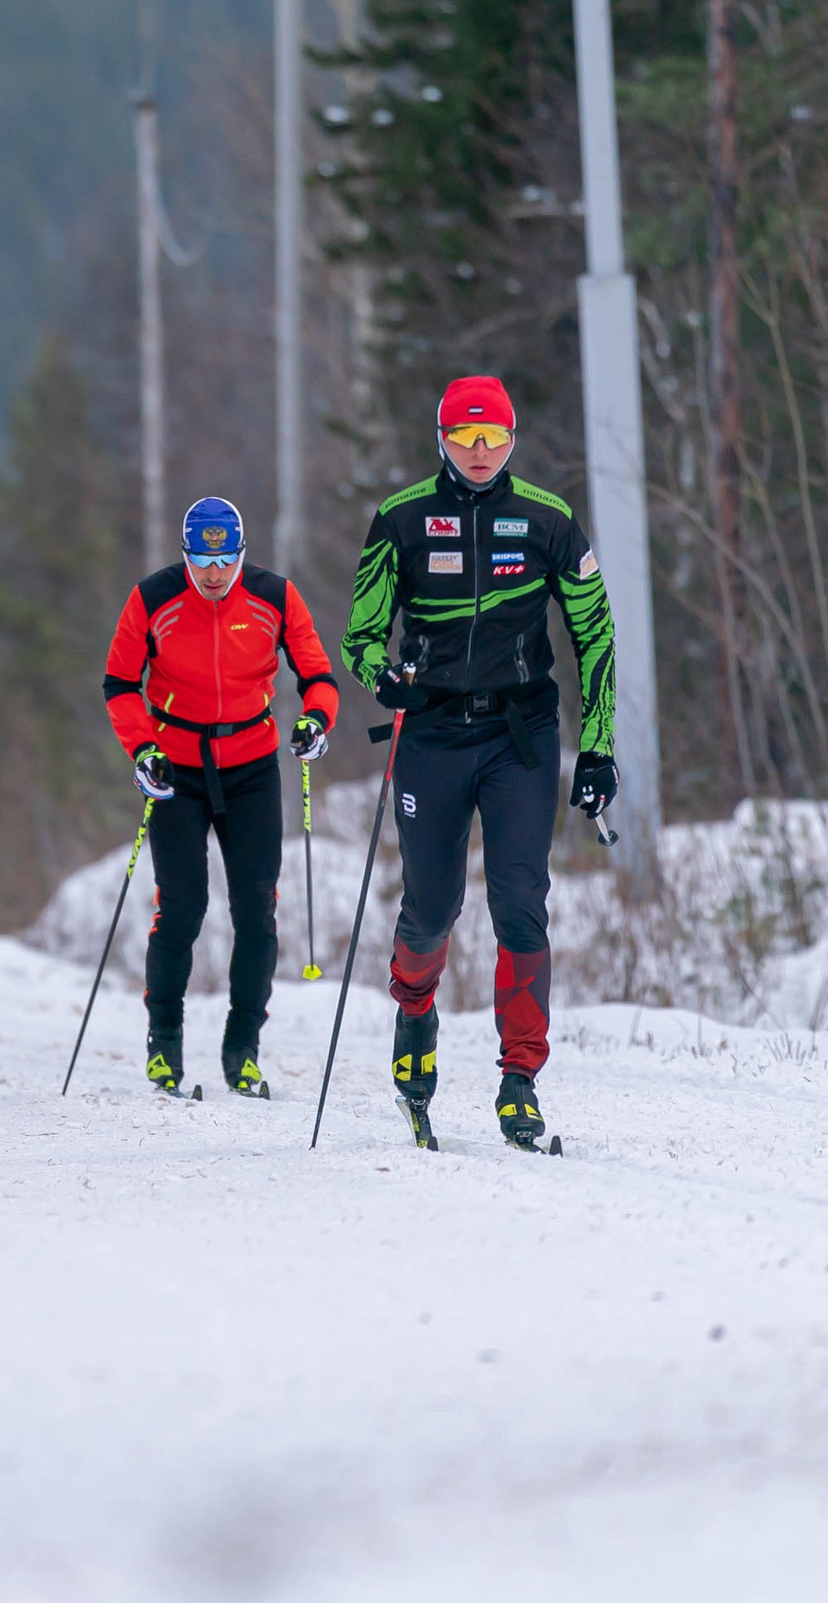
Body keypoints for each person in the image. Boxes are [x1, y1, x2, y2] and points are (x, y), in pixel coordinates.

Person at [342, 375, 617, 1149]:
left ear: (512, 439)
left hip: (519, 736)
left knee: (520, 902)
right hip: (430, 735)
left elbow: (596, 633)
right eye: (465, 440)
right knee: (431, 908)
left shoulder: (547, 518)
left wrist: (597, 747)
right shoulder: (400, 520)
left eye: (493, 439)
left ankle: (520, 1079)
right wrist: (380, 676)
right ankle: (414, 1011)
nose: (480, 453)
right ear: (441, 441)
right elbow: (360, 636)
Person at [102, 496, 341, 1097]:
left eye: (226, 560)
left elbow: (317, 674)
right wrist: (142, 749)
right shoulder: (153, 599)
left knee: (256, 909)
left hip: (252, 764)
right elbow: (120, 683)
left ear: (242, 554)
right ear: (185, 555)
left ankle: (243, 1050)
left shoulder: (275, 597)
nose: (213, 574)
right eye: (202, 561)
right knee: (181, 906)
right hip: (176, 766)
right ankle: (164, 1043)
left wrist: (316, 720)